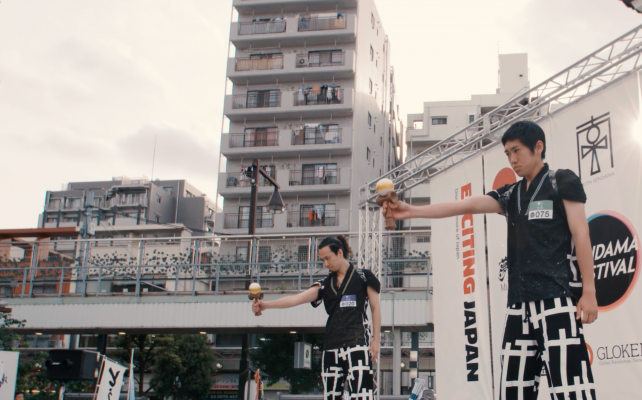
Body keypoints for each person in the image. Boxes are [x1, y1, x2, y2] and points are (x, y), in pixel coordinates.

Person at [384, 120, 598, 400]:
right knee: (513, 390)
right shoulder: (511, 193)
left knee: (571, 388)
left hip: (557, 299)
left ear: (538, 147)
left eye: (517, 151)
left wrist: (589, 291)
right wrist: (411, 211)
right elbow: (467, 205)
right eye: (507, 153)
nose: (512, 159)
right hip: (518, 306)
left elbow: (581, 233)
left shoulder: (561, 181)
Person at [252, 236, 381, 400]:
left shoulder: (363, 277)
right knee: (331, 395)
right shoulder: (325, 284)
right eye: (322, 260)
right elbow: (297, 299)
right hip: (331, 346)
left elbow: (375, 308)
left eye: (328, 258)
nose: (326, 264)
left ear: (339, 253)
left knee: (362, 395)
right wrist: (266, 305)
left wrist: (376, 340)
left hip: (358, 343)